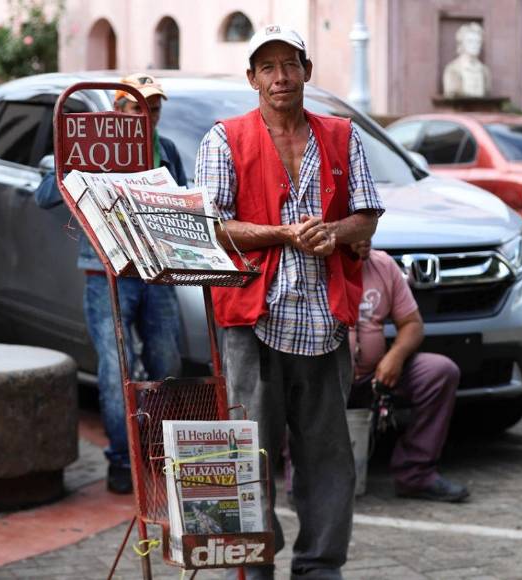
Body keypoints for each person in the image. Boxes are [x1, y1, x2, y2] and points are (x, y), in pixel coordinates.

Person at [195, 25, 383, 580]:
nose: (281, 77)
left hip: (324, 322)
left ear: (306, 71)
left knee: (328, 461)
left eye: (290, 65)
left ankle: (320, 568)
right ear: (251, 78)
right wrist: (283, 234)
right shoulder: (224, 138)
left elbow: (367, 215)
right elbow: (211, 227)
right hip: (253, 321)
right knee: (248, 455)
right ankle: (254, 566)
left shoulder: (342, 136)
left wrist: (337, 230)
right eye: (268, 67)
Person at [35, 73, 187, 494]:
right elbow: (45, 194)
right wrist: (75, 164)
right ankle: (122, 459)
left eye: (154, 108)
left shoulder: (167, 150)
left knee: (166, 362)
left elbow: (182, 201)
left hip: (156, 271)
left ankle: (159, 449)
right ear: (118, 113)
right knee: (116, 368)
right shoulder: (89, 143)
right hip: (107, 273)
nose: (149, 116)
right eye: (140, 107)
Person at [349, 239, 469, 502]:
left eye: (369, 227)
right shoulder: (310, 265)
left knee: (440, 371)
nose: (364, 238)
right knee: (295, 382)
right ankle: (302, 482)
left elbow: (412, 324)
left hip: (374, 376)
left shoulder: (382, 264)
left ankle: (416, 475)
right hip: (325, 379)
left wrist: (396, 355)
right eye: (356, 229)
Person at [442, 21, 491, 98]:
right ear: (462, 44)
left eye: (478, 42)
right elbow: (451, 95)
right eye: (470, 41)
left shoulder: (484, 70)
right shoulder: (452, 69)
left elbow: (487, 94)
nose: (475, 45)